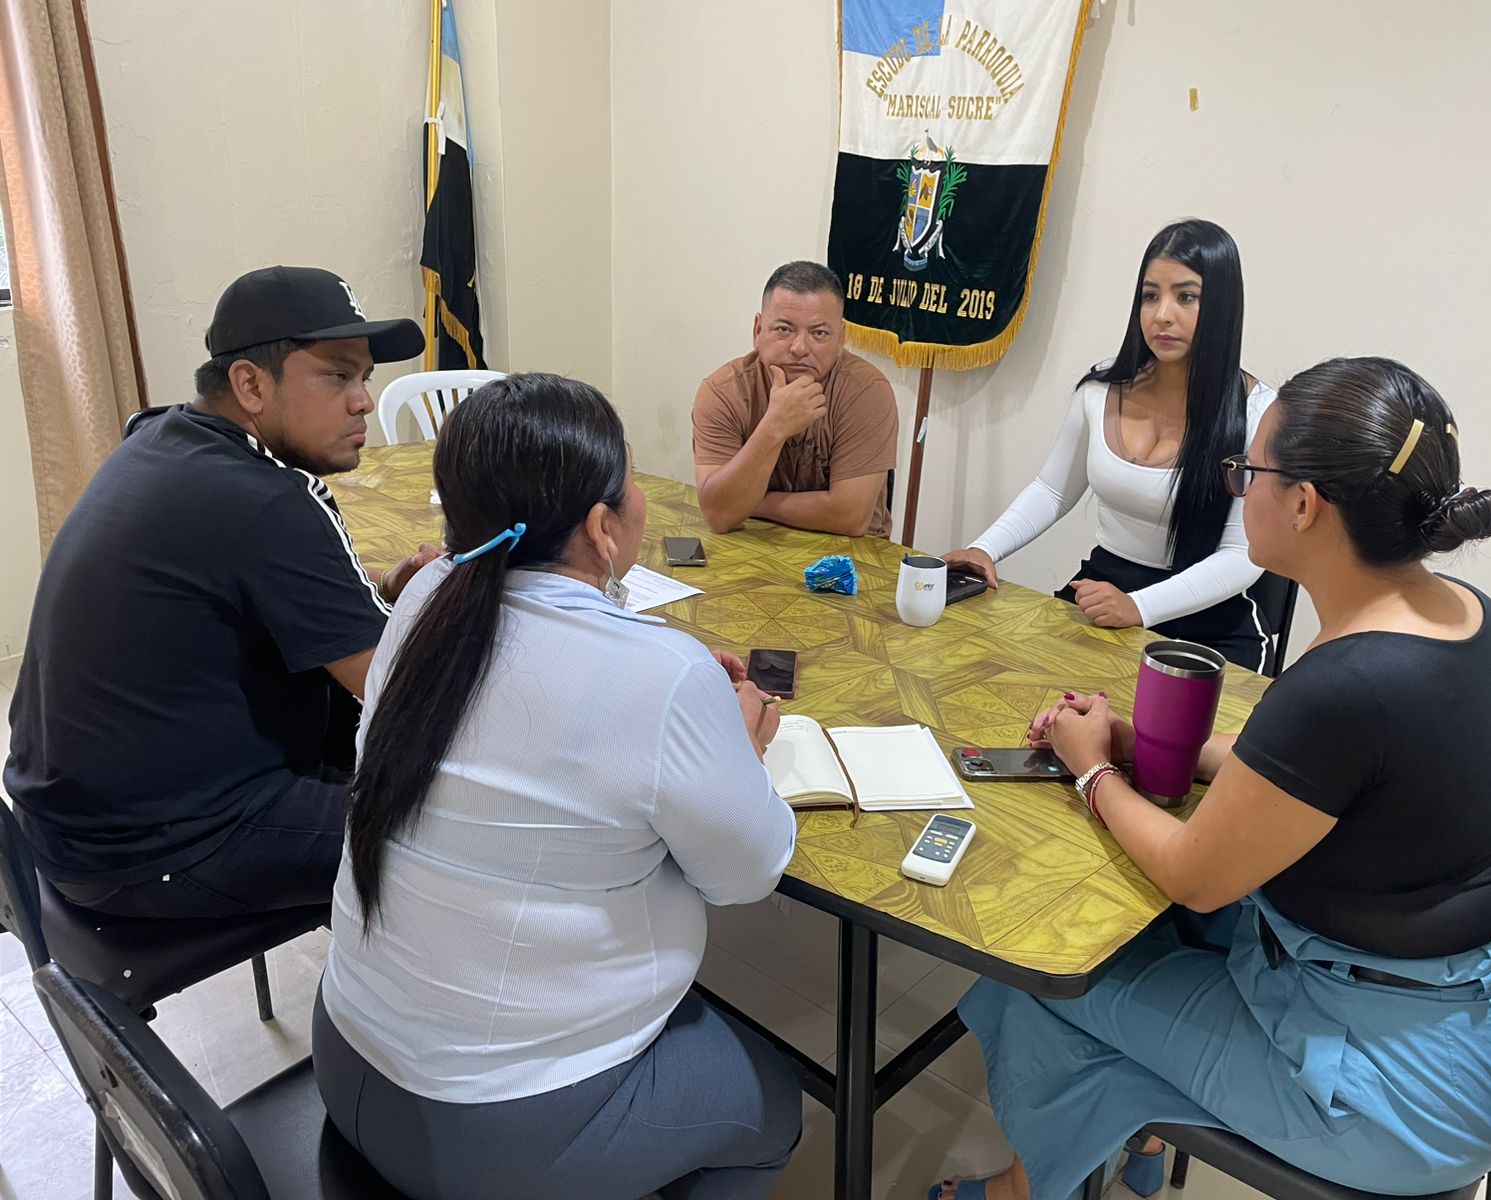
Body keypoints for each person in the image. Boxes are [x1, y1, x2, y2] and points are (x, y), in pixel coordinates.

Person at [937, 358, 1491, 1200]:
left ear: (1304, 505)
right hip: (1486, 1022)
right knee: (1137, 937)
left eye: (1246, 471)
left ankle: (1029, 1185)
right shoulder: (1466, 615)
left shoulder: (1345, 684)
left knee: (1045, 978)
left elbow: (1193, 875)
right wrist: (1140, 743)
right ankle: (1131, 1144)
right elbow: (1311, 776)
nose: (1237, 489)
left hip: (1394, 1095)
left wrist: (1091, 770)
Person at [315, 373, 802, 1200]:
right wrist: (740, 747)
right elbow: (745, 875)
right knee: (774, 1109)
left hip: (347, 1053)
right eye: (633, 483)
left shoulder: (426, 597)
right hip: (489, 1131)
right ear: (603, 529)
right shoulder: (665, 673)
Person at [4, 266, 439, 920]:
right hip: (158, 850)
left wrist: (378, 586)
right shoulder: (267, 499)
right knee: (467, 826)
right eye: (337, 376)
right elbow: (398, 688)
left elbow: (248, 587)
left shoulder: (162, 440)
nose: (363, 403)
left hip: (69, 822)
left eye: (365, 378)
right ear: (251, 384)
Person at [943, 219, 1278, 671]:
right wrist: (985, 548)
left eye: (1186, 297)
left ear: (1222, 304)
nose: (1162, 314)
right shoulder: (1101, 389)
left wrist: (1139, 607)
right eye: (1150, 296)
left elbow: (1243, 555)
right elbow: (1052, 490)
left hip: (1211, 624)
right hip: (1103, 595)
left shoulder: (1260, 412)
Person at [693, 260, 899, 538]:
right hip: (750, 542)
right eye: (784, 329)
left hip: (851, 554)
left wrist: (750, 503)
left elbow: (850, 517)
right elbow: (719, 516)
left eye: (819, 333)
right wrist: (775, 427)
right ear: (758, 331)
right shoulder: (724, 392)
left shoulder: (866, 391)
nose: (800, 348)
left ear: (841, 339)